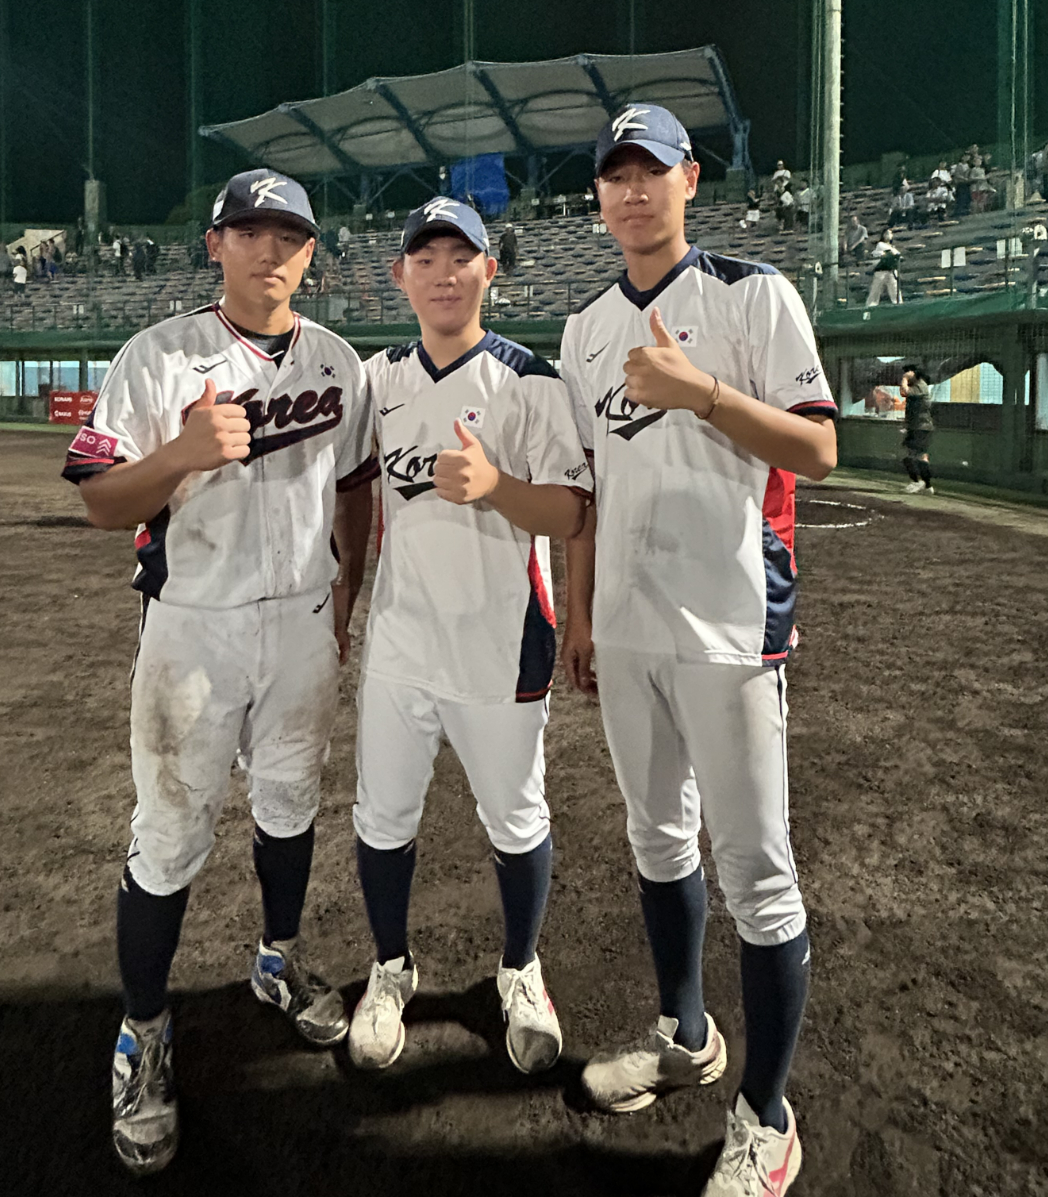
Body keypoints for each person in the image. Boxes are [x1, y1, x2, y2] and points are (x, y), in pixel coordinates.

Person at [62, 168, 377, 1176]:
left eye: (288, 235)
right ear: (216, 245)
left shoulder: (337, 361)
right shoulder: (156, 357)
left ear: (310, 254)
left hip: (301, 622)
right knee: (168, 834)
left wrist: (346, 591)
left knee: (290, 801)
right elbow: (101, 502)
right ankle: (143, 1030)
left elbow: (357, 486)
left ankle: (278, 958)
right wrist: (182, 455)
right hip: (193, 630)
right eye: (249, 231)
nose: (268, 250)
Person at [557, 104, 837, 1197]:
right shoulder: (585, 329)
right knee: (656, 837)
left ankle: (768, 1117)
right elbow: (587, 488)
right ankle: (685, 1035)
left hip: (730, 623)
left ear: (690, 181)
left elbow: (818, 446)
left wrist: (705, 394)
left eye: (652, 170)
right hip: (629, 627)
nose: (633, 190)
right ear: (598, 196)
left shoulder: (752, 295)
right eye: (614, 174)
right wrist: (581, 614)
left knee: (759, 873)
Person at [348, 197, 590, 1075]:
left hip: (501, 643)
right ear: (400, 275)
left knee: (516, 820)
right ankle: (389, 970)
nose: (443, 274)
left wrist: (495, 486)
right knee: (382, 818)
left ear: (491, 270)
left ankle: (520, 969)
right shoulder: (377, 380)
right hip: (401, 645)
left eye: (462, 257)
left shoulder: (530, 379)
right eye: (426, 258)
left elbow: (572, 512)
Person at [899, 365, 934, 494]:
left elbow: (905, 391)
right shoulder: (915, 385)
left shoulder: (921, 385)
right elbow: (903, 393)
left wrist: (905, 379)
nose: (906, 374)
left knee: (918, 455)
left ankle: (920, 483)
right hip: (914, 426)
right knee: (911, 455)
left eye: (908, 372)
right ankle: (925, 485)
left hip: (922, 427)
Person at [866, 231, 902, 306]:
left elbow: (897, 254)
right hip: (881, 270)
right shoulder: (880, 244)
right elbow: (891, 252)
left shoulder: (892, 247)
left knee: (894, 289)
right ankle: (871, 305)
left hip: (891, 270)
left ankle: (898, 303)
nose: (888, 235)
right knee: (876, 289)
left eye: (890, 233)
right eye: (886, 233)